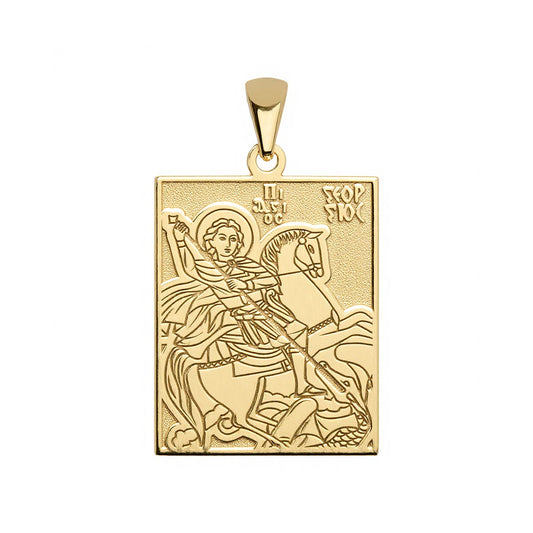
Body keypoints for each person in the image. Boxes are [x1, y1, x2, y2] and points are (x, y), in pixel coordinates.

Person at [163, 216, 324, 397]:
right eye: (222, 238)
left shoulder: (244, 263)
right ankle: (300, 385)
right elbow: (191, 268)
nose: (228, 244)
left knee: (299, 329)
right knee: (294, 333)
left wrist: (246, 284)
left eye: (233, 239)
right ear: (211, 242)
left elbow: (271, 279)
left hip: (267, 311)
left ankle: (302, 383)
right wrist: (181, 241)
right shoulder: (212, 270)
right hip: (248, 318)